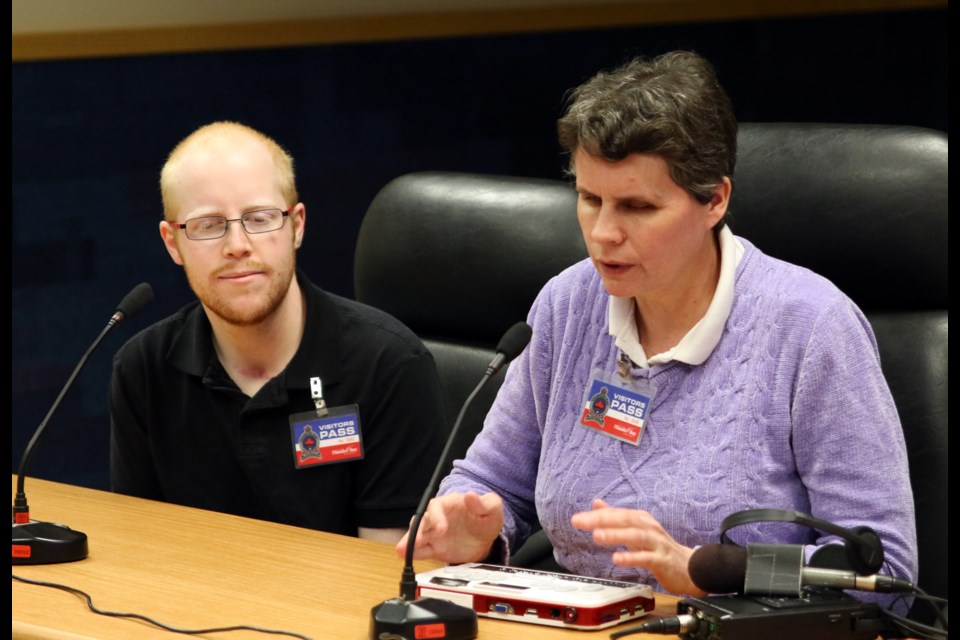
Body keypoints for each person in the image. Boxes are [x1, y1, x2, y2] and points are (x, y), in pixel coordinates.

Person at [396, 51, 917, 605]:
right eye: (590, 199)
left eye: (637, 207)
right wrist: (473, 528)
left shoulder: (811, 327)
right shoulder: (567, 304)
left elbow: (883, 567)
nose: (602, 233)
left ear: (714, 199)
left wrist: (709, 570)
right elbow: (492, 483)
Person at [110, 121, 445, 544]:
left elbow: (385, 576)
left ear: (297, 226)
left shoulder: (390, 365)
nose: (237, 244)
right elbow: (143, 548)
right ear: (173, 243)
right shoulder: (143, 368)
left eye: (260, 218)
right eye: (208, 225)